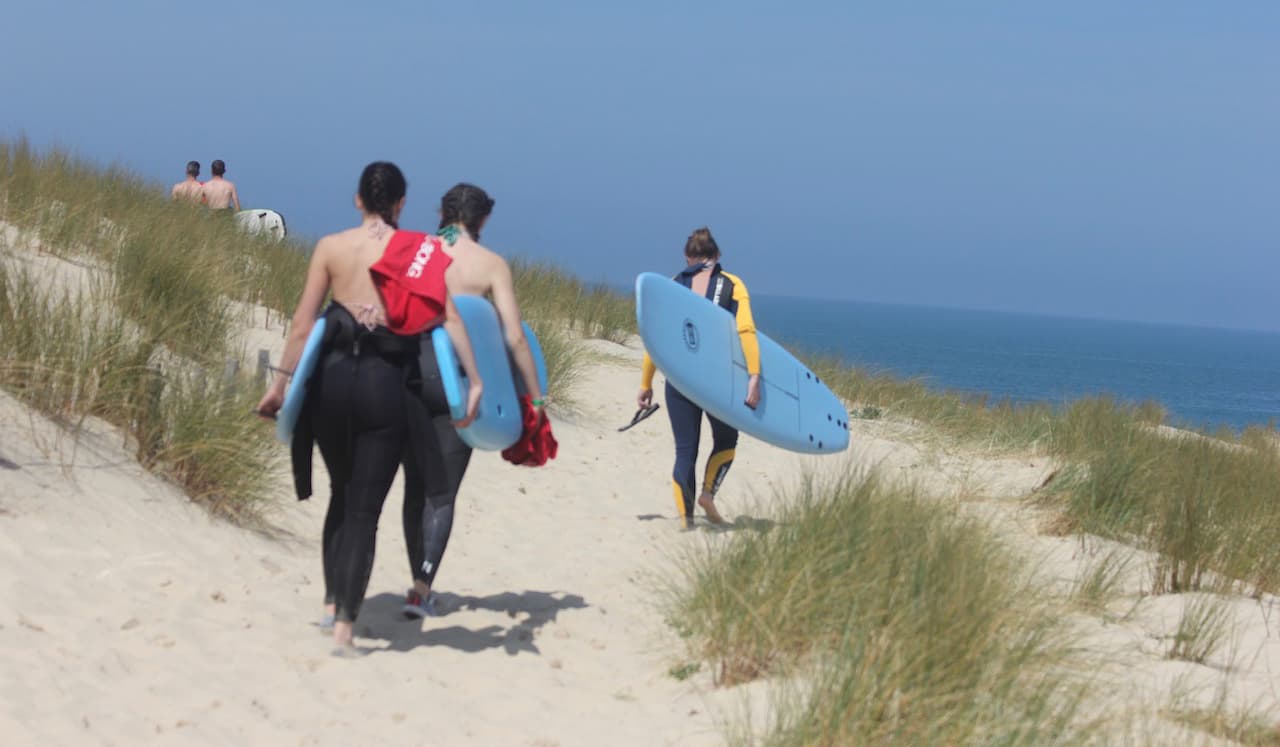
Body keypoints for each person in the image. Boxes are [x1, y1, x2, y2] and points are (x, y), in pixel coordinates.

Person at [255, 162, 483, 652]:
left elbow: (302, 324)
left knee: (340, 495)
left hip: (330, 383)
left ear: (358, 200)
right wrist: (477, 381)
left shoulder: (331, 247)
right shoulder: (420, 251)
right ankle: (344, 631)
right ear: (401, 205)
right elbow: (448, 321)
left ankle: (331, 605)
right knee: (363, 510)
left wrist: (279, 387)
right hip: (385, 384)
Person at [400, 183, 546, 618]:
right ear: (481, 221)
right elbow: (514, 336)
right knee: (440, 496)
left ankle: (417, 586)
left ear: (443, 212)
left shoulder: (414, 250)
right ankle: (421, 588)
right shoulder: (490, 264)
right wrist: (535, 398)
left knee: (414, 489)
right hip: (458, 381)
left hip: (408, 374)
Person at [637, 227, 761, 530]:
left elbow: (657, 340)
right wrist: (754, 376)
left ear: (686, 256)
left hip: (679, 382)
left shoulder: (672, 286)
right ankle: (707, 494)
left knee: (685, 450)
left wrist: (645, 383)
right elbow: (746, 331)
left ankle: (685, 522)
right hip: (719, 383)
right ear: (717, 256)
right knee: (727, 439)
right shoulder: (732, 284)